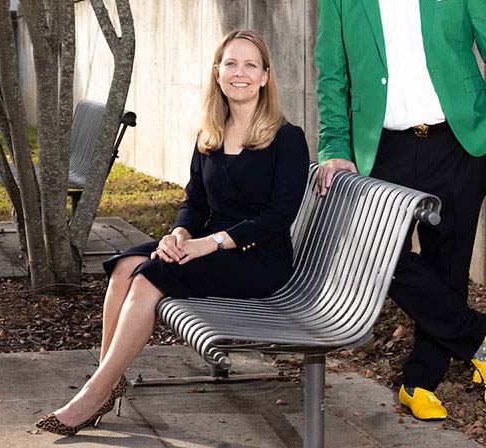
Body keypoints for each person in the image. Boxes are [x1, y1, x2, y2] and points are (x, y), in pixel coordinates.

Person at [314, 0, 486, 418]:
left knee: (449, 261)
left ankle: (420, 381)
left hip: (458, 144)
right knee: (376, 259)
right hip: (382, 150)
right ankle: (477, 334)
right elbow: (332, 78)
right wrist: (333, 147)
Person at [36, 29, 310, 435]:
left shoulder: (287, 138)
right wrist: (180, 234)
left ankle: (95, 392)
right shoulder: (210, 135)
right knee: (125, 264)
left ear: (266, 77)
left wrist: (208, 244)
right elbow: (195, 202)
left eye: (251, 65)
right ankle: (108, 378)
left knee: (150, 278)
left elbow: (279, 216)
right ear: (217, 74)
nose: (240, 73)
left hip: (260, 256)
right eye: (231, 64)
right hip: (208, 245)